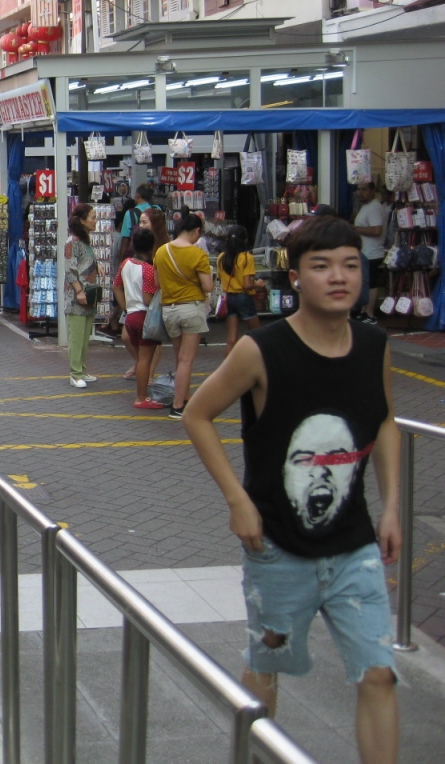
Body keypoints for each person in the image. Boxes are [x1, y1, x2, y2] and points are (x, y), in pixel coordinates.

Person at [183, 217, 400, 764]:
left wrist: (393, 505)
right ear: (296, 277)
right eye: (321, 266)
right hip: (276, 547)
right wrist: (237, 500)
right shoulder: (262, 350)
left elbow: (386, 420)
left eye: (350, 265)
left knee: (379, 673)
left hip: (354, 546)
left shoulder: (374, 345)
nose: (339, 277)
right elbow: (197, 414)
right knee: (266, 672)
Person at [154, 212, 213, 420]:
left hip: (169, 310)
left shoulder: (161, 251)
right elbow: (208, 286)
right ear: (196, 231)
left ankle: (185, 396)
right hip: (191, 309)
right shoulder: (198, 254)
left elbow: (157, 283)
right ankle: (178, 406)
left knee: (180, 358)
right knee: (187, 360)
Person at [113, 227, 163, 408]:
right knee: (144, 360)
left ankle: (142, 396)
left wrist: (126, 307)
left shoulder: (125, 263)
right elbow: (148, 299)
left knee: (141, 358)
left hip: (131, 316)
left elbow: (116, 286)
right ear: (152, 247)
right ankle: (141, 397)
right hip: (145, 317)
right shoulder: (148, 269)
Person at [65, 204, 100, 388]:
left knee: (85, 337)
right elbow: (69, 270)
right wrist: (78, 291)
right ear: (82, 220)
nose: (95, 221)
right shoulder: (72, 242)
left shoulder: (85, 241)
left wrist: (96, 266)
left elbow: (83, 263)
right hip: (76, 297)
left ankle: (82, 370)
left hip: (88, 294)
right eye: (92, 217)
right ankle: (75, 373)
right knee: (77, 337)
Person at [218, 224, 261, 355]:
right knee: (258, 335)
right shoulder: (247, 258)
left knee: (231, 339)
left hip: (229, 298)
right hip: (243, 297)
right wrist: (258, 284)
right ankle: (262, 362)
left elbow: (220, 278)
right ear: (245, 240)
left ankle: (227, 366)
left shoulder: (221, 257)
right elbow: (247, 284)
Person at [353, 181, 389, 324]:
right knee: (365, 283)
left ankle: (369, 313)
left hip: (372, 253)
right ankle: (364, 311)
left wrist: (356, 229)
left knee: (371, 283)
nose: (360, 193)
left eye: (364, 189)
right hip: (365, 252)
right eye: (358, 190)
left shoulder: (374, 207)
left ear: (372, 191)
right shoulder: (367, 207)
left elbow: (377, 230)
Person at [119, 183, 160, 256]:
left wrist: (122, 258)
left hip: (138, 255)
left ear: (137, 195)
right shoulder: (157, 209)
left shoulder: (130, 214)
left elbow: (125, 240)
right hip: (156, 252)